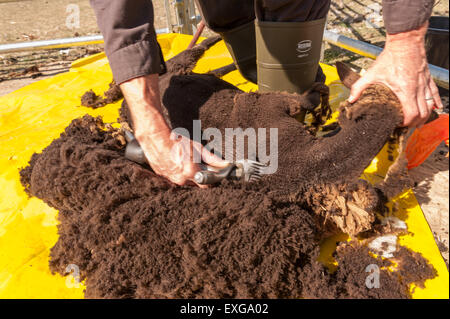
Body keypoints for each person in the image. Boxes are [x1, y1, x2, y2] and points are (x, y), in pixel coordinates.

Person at [90, 0, 443, 187]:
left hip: (290, 6)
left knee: (288, 96)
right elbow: (121, 11)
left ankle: (300, 99)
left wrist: (405, 44)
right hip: (228, 9)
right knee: (242, 41)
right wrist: (150, 126)